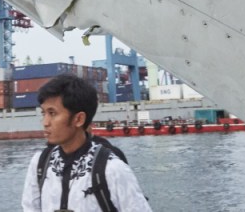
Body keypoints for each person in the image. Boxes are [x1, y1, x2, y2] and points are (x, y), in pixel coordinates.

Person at [21, 73, 151, 211]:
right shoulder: (40, 164)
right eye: (43, 113)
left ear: (79, 119)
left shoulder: (112, 169)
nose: (45, 122)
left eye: (52, 113)